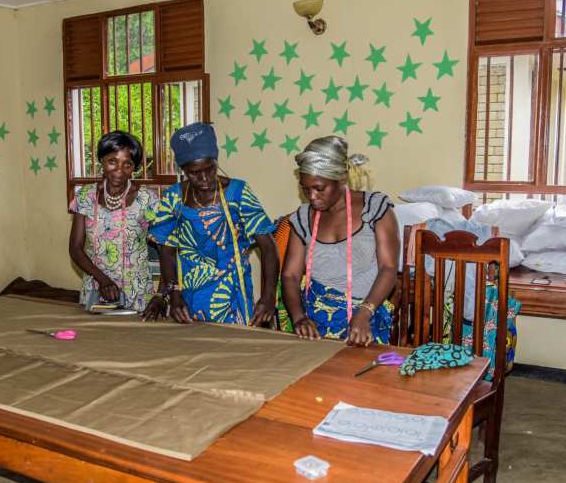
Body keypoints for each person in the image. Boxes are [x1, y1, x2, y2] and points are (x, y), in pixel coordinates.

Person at [148, 122, 278, 326]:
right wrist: (172, 293)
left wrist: (269, 296)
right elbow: (166, 250)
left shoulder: (238, 193)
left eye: (210, 169)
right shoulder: (173, 197)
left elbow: (269, 247)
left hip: (232, 296)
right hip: (187, 295)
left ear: (216, 161)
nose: (204, 178)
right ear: (182, 170)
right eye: (194, 173)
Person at [281, 136, 399, 345]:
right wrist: (299, 318)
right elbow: (290, 274)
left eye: (319, 188)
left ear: (341, 179)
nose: (312, 196)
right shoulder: (303, 217)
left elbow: (389, 269)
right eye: (305, 189)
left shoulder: (374, 208)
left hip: (365, 318)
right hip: (315, 324)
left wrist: (364, 313)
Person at [68, 131, 161, 316]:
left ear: (134, 167)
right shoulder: (85, 197)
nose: (119, 170)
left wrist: (162, 295)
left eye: (127, 164)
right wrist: (103, 280)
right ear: (101, 160)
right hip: (96, 292)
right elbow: (75, 248)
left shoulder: (147, 199)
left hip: (138, 295)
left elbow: (166, 248)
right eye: (112, 161)